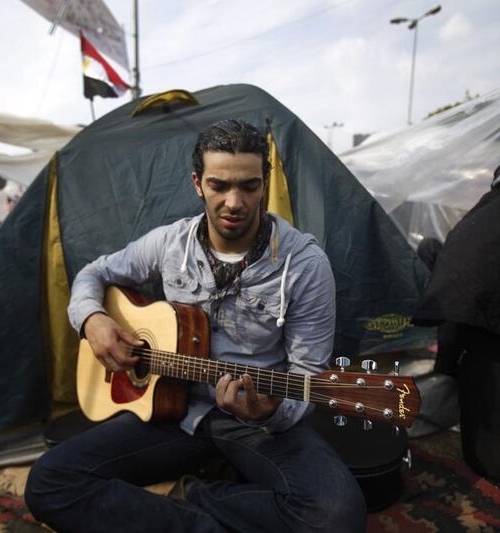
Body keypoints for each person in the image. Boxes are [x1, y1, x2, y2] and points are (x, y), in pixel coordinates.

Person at [25, 119, 365, 532]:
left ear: (266, 182)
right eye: (219, 185)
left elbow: (308, 375)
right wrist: (92, 320)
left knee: (337, 517)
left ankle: (189, 496)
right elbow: (92, 274)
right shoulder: (169, 243)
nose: (235, 202)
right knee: (48, 482)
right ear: (197, 183)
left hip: (254, 424)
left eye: (249, 186)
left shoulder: (306, 265)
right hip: (172, 412)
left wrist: (269, 412)